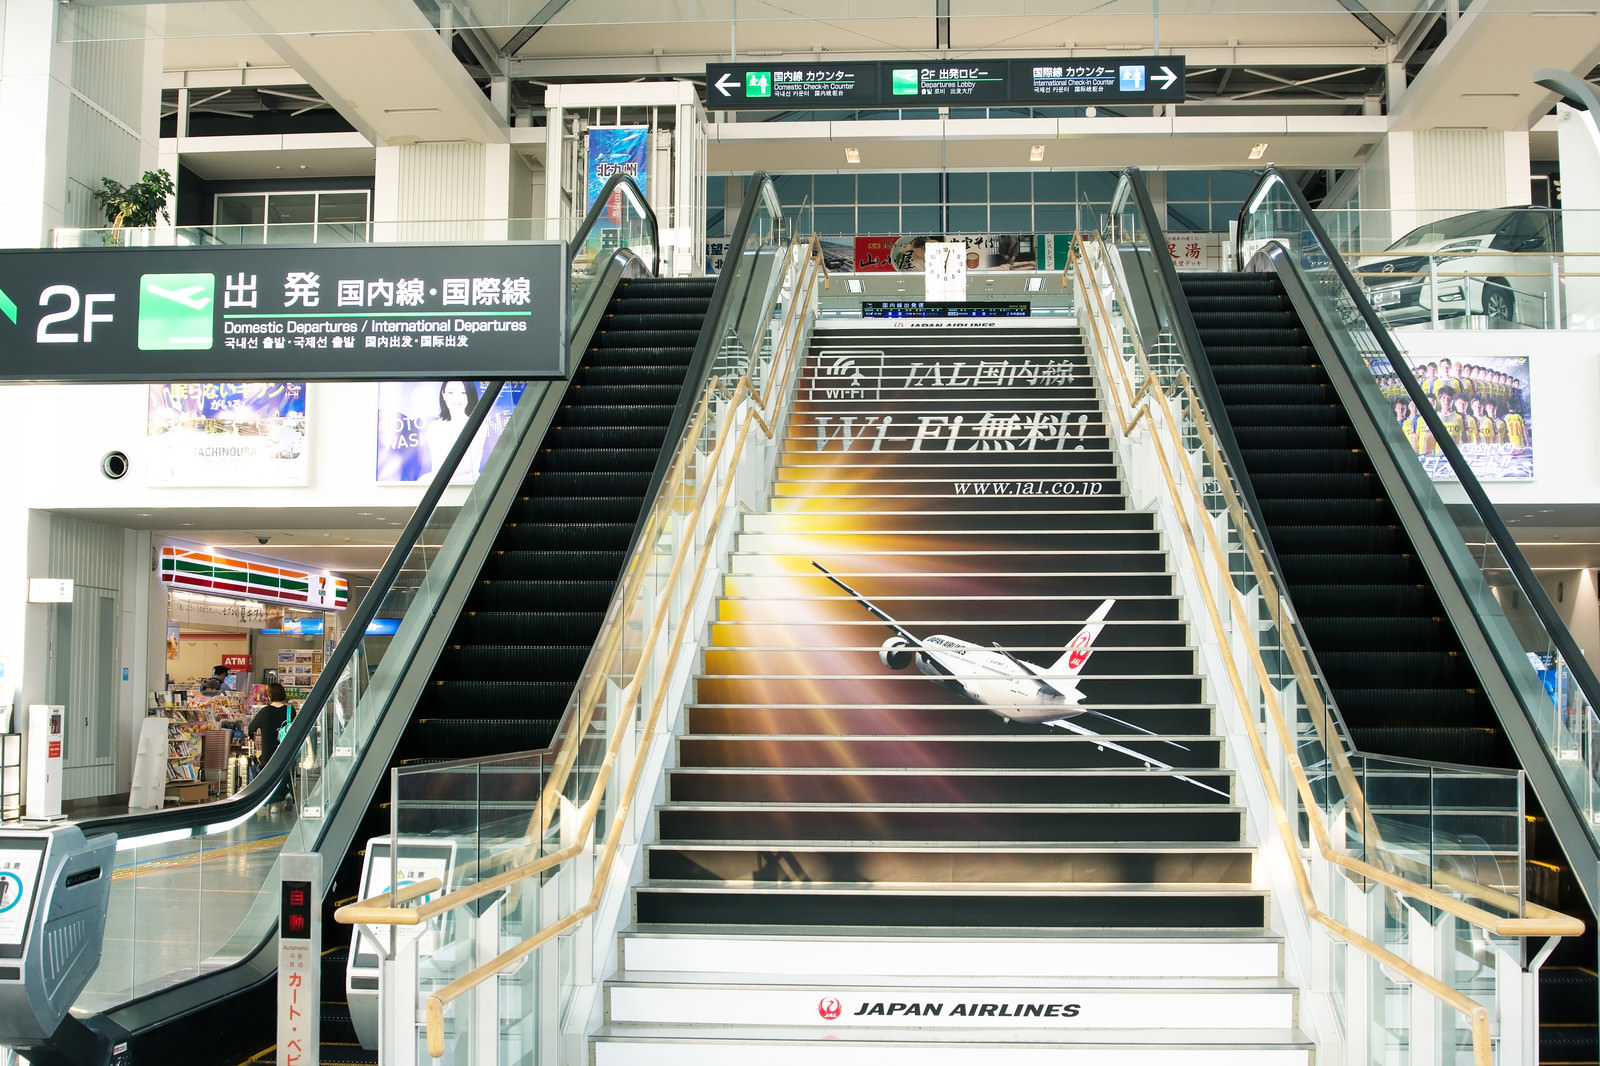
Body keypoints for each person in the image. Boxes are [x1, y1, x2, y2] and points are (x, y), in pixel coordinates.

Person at [421, 379, 484, 479]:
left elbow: (466, 466)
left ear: (469, 395)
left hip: (467, 484)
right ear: (443, 394)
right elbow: (437, 464)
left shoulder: (478, 424)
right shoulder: (434, 427)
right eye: (451, 392)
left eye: (463, 392)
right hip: (441, 483)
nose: (456, 398)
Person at [248, 682, 294, 810]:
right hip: (286, 750)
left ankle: (274, 803)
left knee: (270, 776)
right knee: (286, 772)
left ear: (269, 695)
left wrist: (252, 735)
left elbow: (251, 728)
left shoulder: (265, 712)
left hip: (269, 751)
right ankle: (288, 793)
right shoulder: (290, 710)